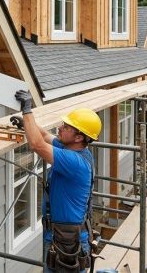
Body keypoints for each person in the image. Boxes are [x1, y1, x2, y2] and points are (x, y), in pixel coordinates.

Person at [14, 90, 101, 272]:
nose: (60, 128)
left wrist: (27, 110)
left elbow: (37, 145)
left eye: (66, 127)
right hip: (61, 235)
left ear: (79, 137)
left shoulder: (75, 162)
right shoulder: (72, 148)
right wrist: (27, 124)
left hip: (67, 240)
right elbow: (44, 136)